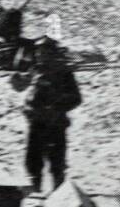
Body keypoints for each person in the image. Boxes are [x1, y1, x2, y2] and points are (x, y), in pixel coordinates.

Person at [11, 37, 82, 193]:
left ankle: (60, 198)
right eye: (38, 52)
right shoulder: (36, 70)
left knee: (56, 164)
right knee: (32, 162)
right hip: (36, 124)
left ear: (52, 52)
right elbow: (23, 87)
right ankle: (36, 195)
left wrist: (55, 107)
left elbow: (76, 98)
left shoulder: (63, 72)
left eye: (43, 51)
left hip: (55, 124)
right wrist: (20, 89)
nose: (39, 54)